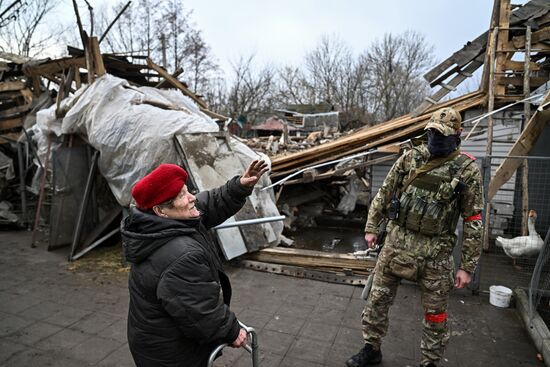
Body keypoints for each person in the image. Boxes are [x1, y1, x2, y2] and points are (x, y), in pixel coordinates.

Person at [346, 107, 484, 367]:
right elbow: (384, 195)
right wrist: (372, 227)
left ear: (457, 134)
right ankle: (371, 348)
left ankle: (429, 361)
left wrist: (467, 266)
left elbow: (473, 220)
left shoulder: (466, 170)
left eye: (442, 135)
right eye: (432, 133)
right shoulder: (410, 159)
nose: (436, 139)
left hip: (436, 255)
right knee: (377, 301)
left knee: (435, 315)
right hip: (396, 244)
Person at [122, 160, 268, 367]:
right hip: (171, 354)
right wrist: (231, 330)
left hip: (154, 336)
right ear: (161, 210)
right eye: (182, 196)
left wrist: (240, 186)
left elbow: (209, 202)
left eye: (186, 190)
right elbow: (199, 309)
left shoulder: (160, 222)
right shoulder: (181, 256)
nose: (191, 198)